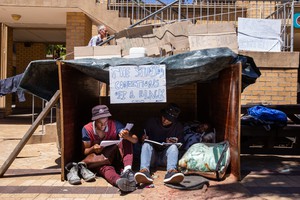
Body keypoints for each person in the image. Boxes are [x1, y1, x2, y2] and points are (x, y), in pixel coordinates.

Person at [82, 105, 138, 192]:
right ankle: (119, 181)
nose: (103, 125)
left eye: (105, 122)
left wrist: (127, 136)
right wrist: (93, 148)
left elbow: (135, 140)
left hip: (116, 156)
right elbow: (85, 151)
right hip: (101, 160)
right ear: (94, 120)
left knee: (125, 140)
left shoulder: (115, 124)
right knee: (105, 169)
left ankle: (127, 170)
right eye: (100, 123)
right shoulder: (87, 129)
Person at [134, 103, 185, 185]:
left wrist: (174, 142)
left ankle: (171, 171)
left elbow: (182, 144)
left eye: (168, 120)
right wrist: (143, 138)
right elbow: (139, 137)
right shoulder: (152, 122)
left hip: (166, 158)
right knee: (146, 145)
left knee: (173, 147)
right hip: (152, 157)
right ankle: (144, 171)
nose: (165, 120)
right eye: (164, 117)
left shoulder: (178, 127)